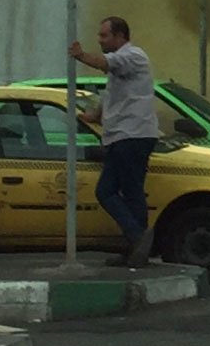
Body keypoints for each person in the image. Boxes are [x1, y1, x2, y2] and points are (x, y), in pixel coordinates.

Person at [68, 15, 160, 267]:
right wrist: (94, 115)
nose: (100, 40)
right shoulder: (123, 66)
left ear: (120, 36)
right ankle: (135, 250)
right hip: (126, 134)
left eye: (104, 35)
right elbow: (113, 96)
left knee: (108, 191)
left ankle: (137, 237)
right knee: (130, 192)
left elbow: (103, 63)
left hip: (132, 135)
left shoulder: (132, 56)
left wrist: (80, 55)